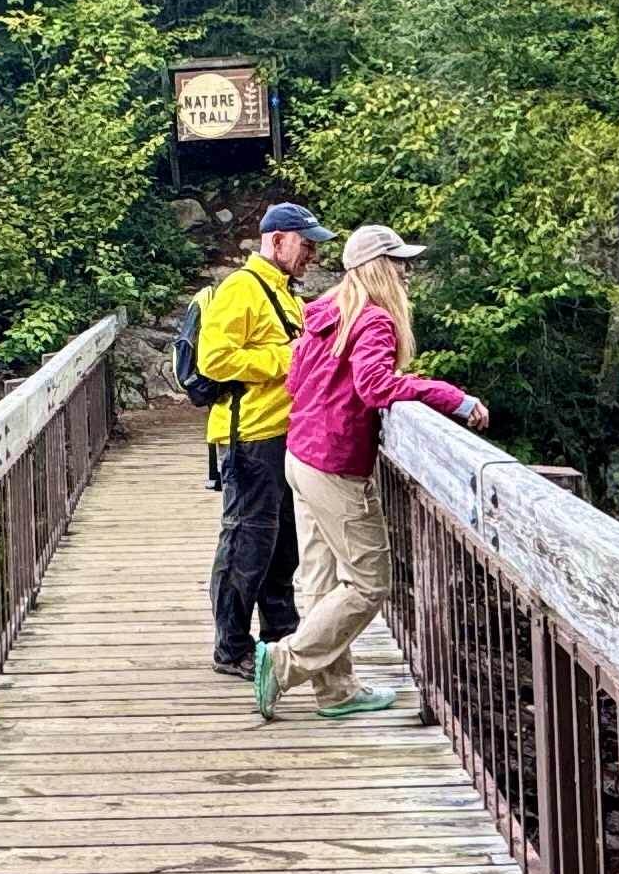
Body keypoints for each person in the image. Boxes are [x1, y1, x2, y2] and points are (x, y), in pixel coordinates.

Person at [258, 223, 490, 720]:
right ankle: (283, 663)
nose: (407, 272)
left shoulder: (324, 310)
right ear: (380, 268)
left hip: (300, 454)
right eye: (400, 263)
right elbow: (377, 387)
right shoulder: (374, 319)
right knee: (368, 583)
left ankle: (336, 691)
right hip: (336, 464)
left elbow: (295, 381)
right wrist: (453, 397)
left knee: (321, 579)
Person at [199, 201, 327, 678]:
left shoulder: (284, 294)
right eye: (306, 243)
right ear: (277, 240)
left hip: (282, 434)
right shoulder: (241, 289)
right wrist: (287, 357)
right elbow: (215, 360)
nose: (311, 253)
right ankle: (231, 647)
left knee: (282, 544)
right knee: (246, 542)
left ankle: (280, 638)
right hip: (250, 435)